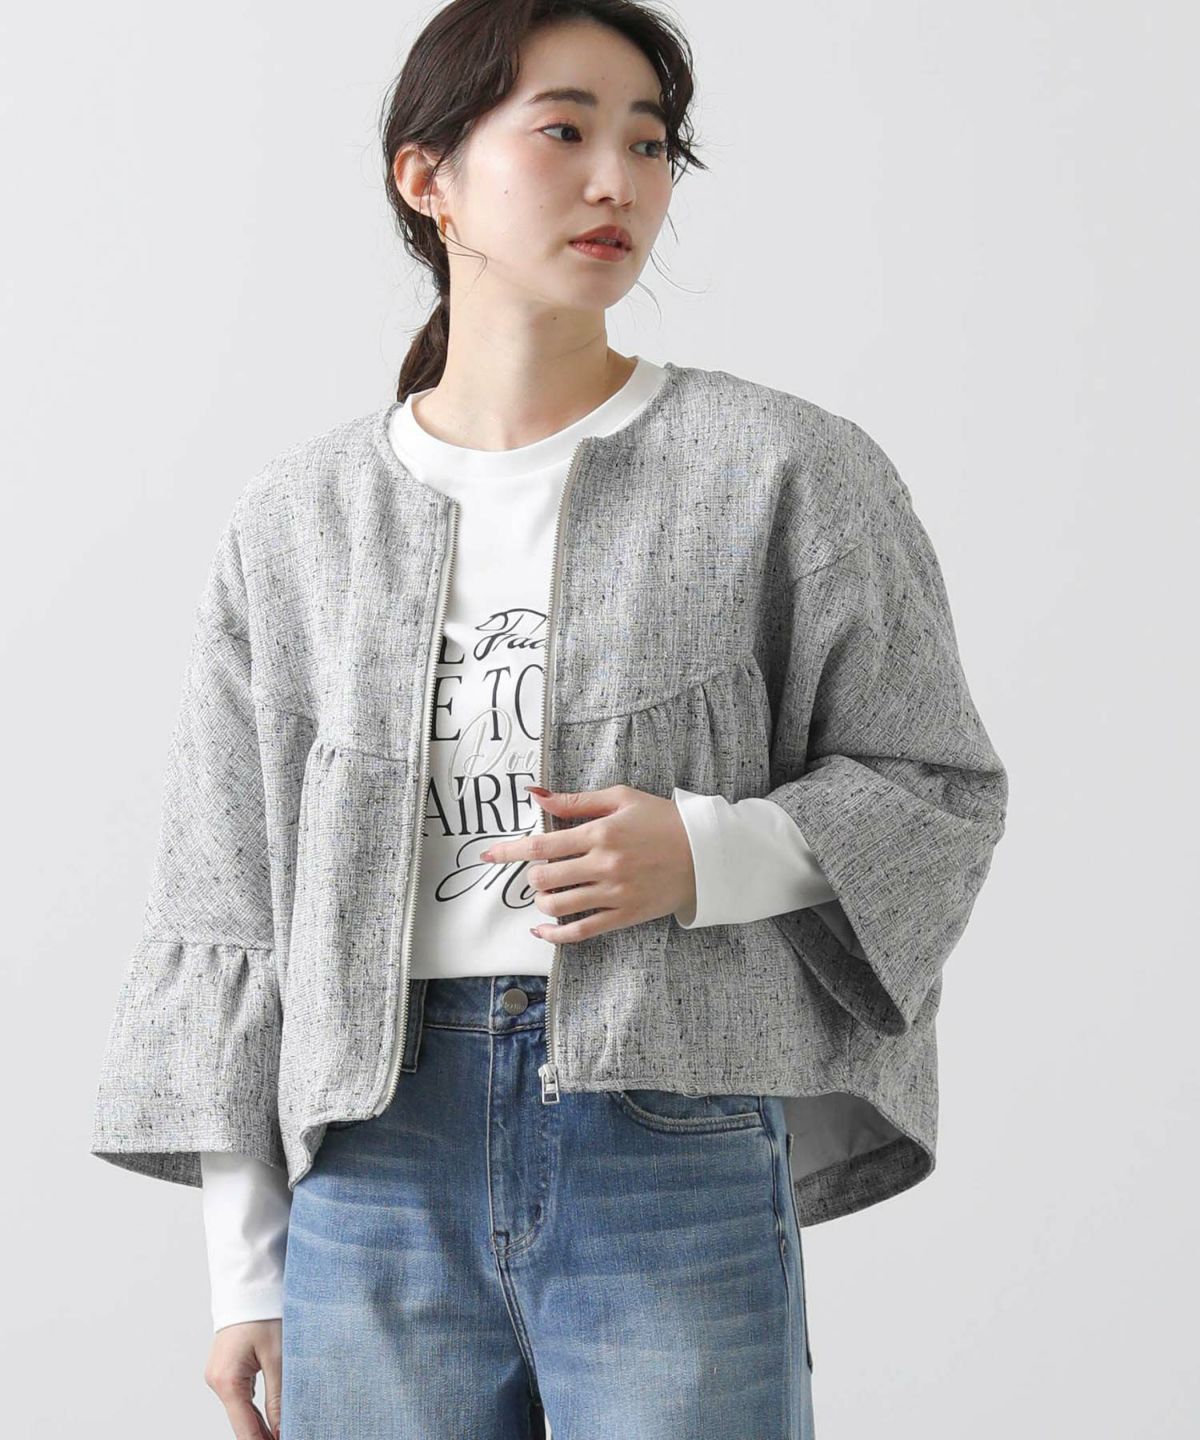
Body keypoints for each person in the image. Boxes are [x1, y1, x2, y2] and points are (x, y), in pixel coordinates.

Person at [89, 3, 1009, 1437]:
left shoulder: (783, 471)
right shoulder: (297, 523)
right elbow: (230, 903)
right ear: (427, 178)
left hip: (671, 1133)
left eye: (649, 144)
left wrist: (707, 852)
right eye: (564, 130)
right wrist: (246, 1272)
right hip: (372, 1160)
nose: (615, 181)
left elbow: (933, 786)